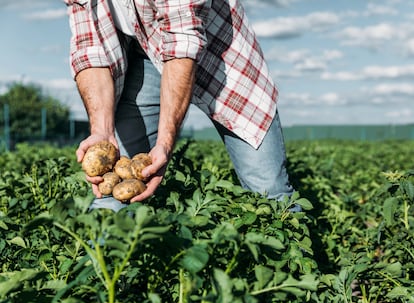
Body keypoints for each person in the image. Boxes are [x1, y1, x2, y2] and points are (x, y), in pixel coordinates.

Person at [65, 0, 296, 212]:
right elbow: (89, 48)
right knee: (114, 190)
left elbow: (182, 39)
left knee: (270, 194)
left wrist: (165, 143)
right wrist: (101, 130)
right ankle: (108, 253)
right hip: (141, 51)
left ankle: (288, 254)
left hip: (221, 53)